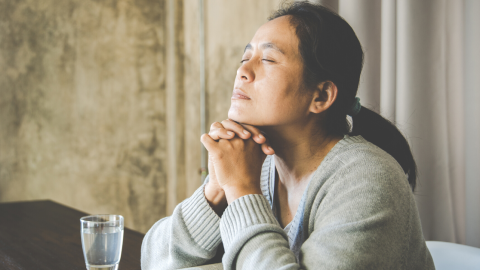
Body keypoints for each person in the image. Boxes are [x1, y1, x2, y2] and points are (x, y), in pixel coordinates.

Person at [141, 2, 435, 269]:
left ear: (320, 95)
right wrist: (216, 191)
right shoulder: (257, 161)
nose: (243, 70)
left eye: (268, 60)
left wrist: (243, 191)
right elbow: (154, 259)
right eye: (245, 56)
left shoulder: (368, 181)